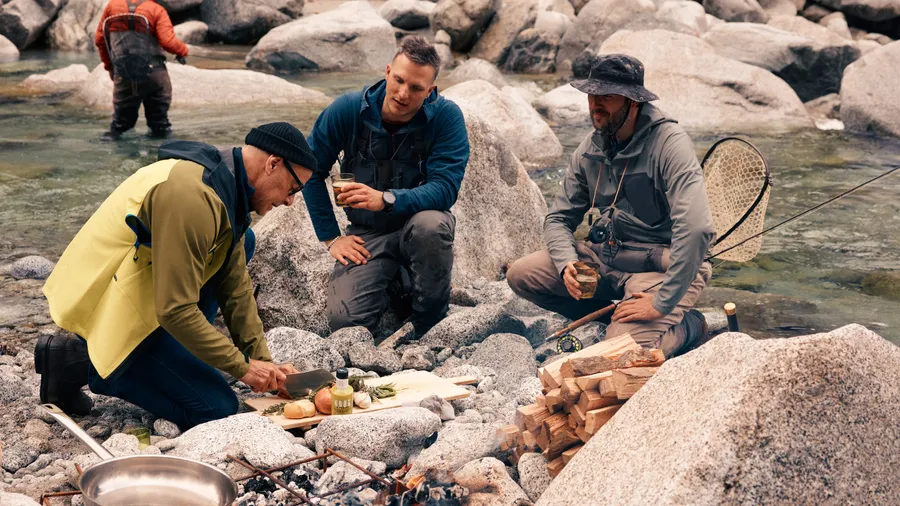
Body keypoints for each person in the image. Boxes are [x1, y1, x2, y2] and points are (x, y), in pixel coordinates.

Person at [36, 122, 316, 429]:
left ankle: (168, 354)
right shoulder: (192, 197)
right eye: (293, 189)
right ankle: (82, 362)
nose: (290, 201)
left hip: (151, 297)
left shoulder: (227, 185)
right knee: (217, 409)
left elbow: (235, 287)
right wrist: (243, 369)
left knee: (244, 242)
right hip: (111, 311)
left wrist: (264, 364)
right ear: (272, 163)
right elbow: (175, 309)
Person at [506, 54, 715, 356]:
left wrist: (662, 302)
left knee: (616, 353)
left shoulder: (670, 144)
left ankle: (689, 326)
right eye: (592, 94)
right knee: (522, 275)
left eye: (607, 95)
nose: (595, 103)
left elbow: (697, 229)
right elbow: (558, 220)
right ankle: (616, 317)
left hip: (658, 271)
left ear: (633, 102)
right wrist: (567, 263)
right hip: (606, 260)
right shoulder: (590, 149)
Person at [304, 36, 470, 336]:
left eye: (416, 88)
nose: (403, 93)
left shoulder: (446, 118)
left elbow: (446, 188)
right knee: (346, 325)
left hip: (419, 227)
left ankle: (428, 326)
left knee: (432, 226)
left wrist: (386, 199)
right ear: (387, 70)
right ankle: (398, 281)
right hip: (367, 235)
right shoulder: (347, 110)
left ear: (430, 90)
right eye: (399, 80)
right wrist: (330, 238)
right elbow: (309, 171)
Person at [95, 0, 189, 140]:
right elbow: (168, 42)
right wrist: (183, 51)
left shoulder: (112, 6)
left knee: (119, 125)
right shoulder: (156, 9)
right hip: (154, 74)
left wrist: (111, 68)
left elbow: (100, 40)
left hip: (124, 74)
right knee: (160, 126)